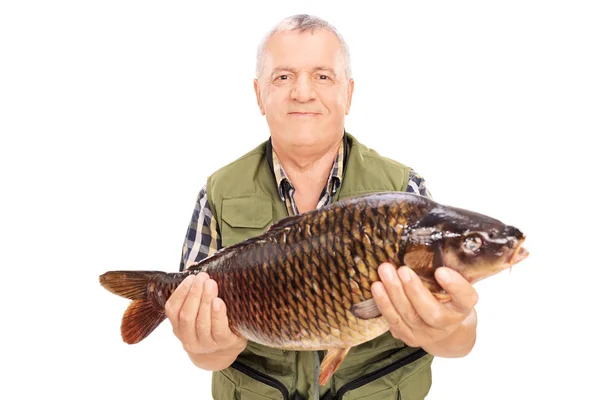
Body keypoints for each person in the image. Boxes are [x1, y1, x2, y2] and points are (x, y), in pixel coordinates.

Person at [165, 14, 479, 400]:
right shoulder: (217, 191)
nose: (302, 92)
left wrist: (451, 328)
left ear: (348, 93)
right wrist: (207, 343)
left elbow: (459, 343)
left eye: (322, 76)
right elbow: (205, 356)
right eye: (282, 77)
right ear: (258, 94)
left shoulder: (403, 192)